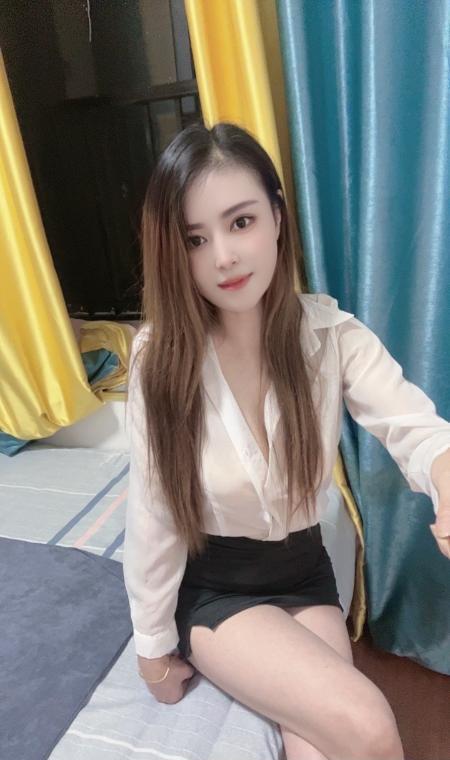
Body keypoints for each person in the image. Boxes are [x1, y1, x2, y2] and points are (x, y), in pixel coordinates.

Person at [123, 121, 450, 760]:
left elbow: (415, 428)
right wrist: (153, 649)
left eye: (241, 222)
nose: (223, 256)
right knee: (367, 722)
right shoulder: (159, 362)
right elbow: (153, 513)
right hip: (217, 588)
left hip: (304, 572)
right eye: (195, 238)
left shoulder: (332, 337)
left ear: (276, 216)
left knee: (319, 745)